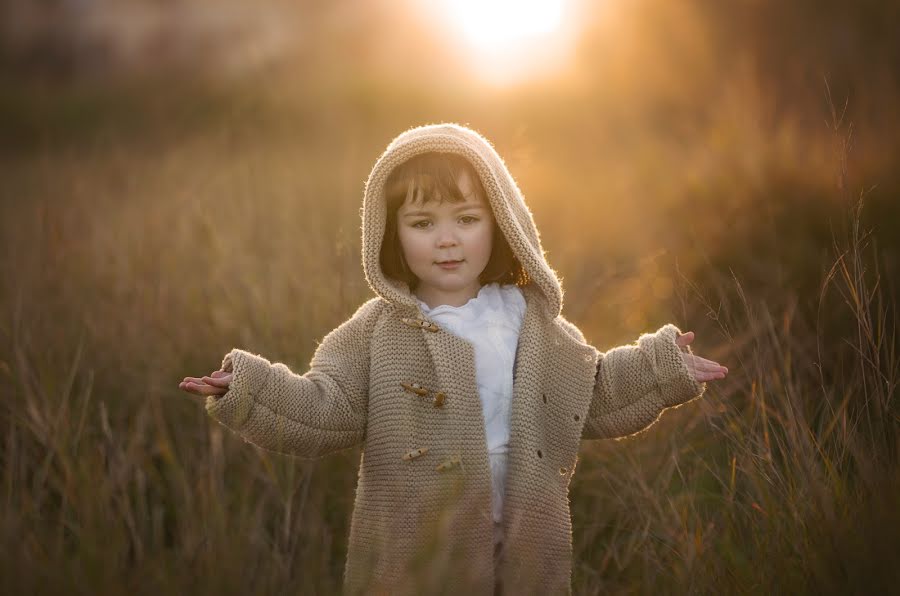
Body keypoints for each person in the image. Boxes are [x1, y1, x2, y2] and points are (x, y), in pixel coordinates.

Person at [179, 123, 728, 596]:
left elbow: (593, 394)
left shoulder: (530, 321)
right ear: (391, 233)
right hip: (419, 562)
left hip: (523, 556)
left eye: (466, 218)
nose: (447, 240)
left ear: (502, 225)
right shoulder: (377, 329)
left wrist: (661, 366)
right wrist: (247, 389)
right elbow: (324, 407)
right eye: (422, 224)